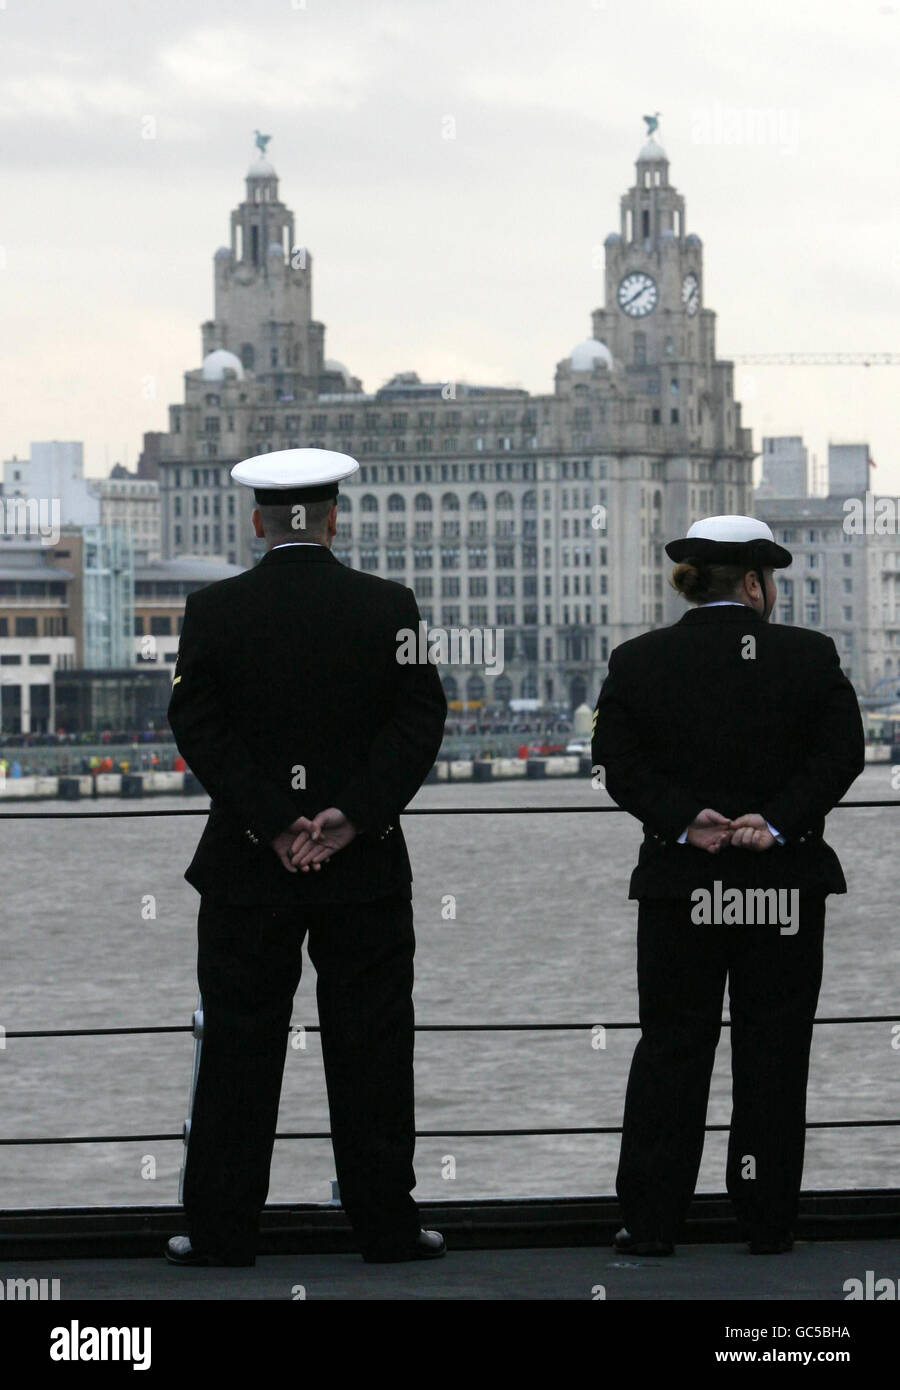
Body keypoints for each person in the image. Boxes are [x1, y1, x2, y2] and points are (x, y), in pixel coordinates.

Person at [166, 447, 448, 1267]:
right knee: (372, 1049)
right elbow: (419, 722)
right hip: (363, 872)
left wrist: (274, 822)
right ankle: (386, 1228)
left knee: (238, 1051)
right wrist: (348, 818)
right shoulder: (388, 606)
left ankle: (221, 1233)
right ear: (334, 520)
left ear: (257, 523)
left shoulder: (213, 609)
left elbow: (198, 726)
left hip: (248, 873)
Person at [591, 515, 865, 1257]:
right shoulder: (811, 657)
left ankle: (650, 1224)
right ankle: (767, 1221)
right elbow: (843, 755)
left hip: (682, 888)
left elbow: (614, 760)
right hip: (782, 888)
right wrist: (773, 823)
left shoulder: (638, 659)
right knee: (773, 1055)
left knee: (671, 1053)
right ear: (753, 583)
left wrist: (687, 821)